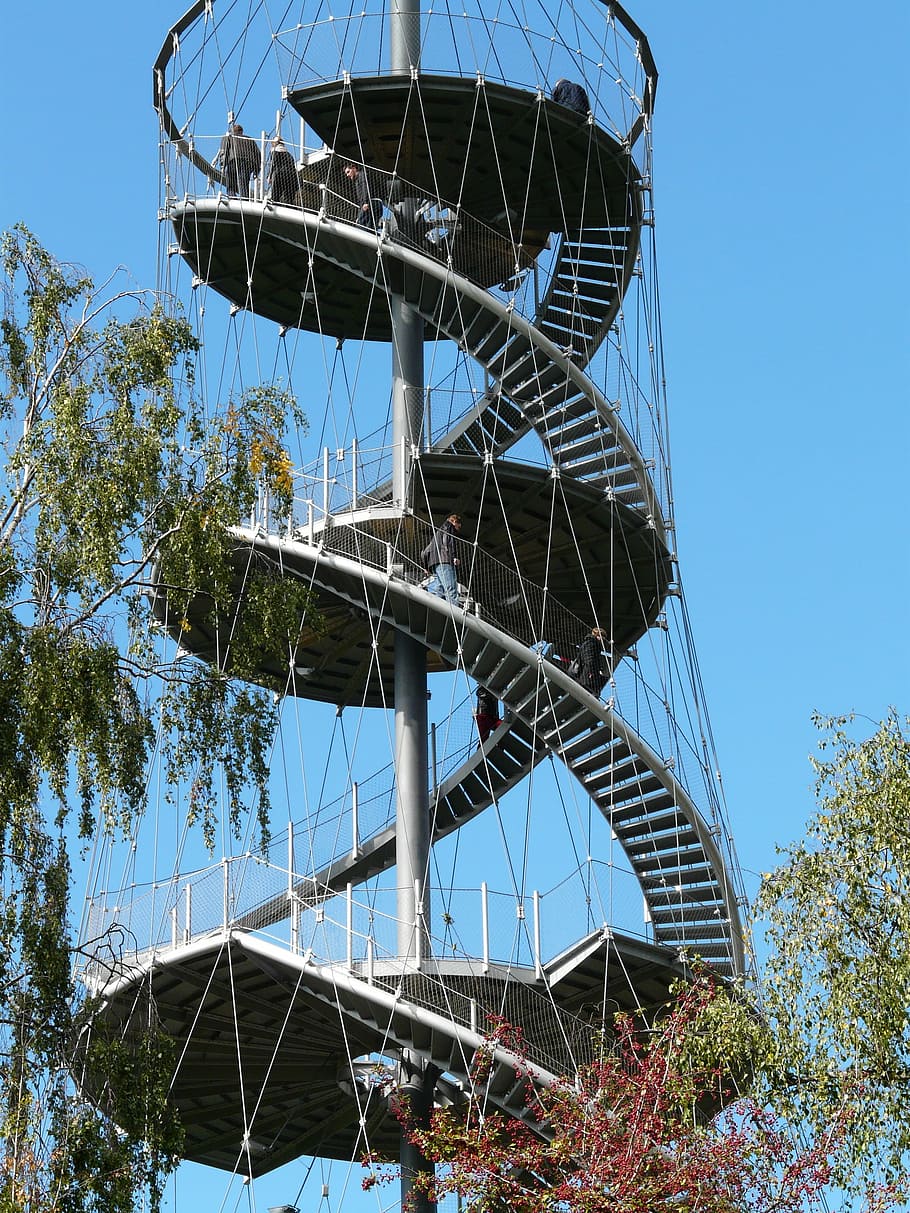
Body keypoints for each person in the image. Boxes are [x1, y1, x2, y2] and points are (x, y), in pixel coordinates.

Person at [420, 513, 463, 605]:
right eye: (458, 527)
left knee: (438, 588)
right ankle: (455, 616)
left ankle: (435, 607)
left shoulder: (438, 533)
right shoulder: (449, 527)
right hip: (445, 561)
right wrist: (453, 557)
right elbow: (448, 543)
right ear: (455, 522)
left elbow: (426, 551)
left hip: (435, 563)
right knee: (451, 590)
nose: (458, 530)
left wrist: (426, 566)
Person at [217, 123, 261, 196]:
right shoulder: (249, 139)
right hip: (248, 163)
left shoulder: (228, 137)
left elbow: (224, 152)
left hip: (234, 161)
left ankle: (232, 198)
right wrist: (256, 171)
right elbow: (258, 155)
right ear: (242, 132)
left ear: (232, 131)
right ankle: (244, 199)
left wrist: (222, 166)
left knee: (231, 183)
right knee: (243, 183)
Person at [571, 626, 609, 698]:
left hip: (588, 672)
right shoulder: (591, 643)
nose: (603, 639)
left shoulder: (591, 643)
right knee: (589, 689)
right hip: (588, 673)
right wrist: (591, 671)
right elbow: (589, 659)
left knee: (592, 689)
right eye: (601, 636)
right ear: (597, 635)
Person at [343, 162, 383, 228]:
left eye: (348, 172)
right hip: (369, 204)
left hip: (371, 203)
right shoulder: (357, 180)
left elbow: (366, 189)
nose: (347, 175)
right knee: (368, 226)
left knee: (360, 224)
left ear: (354, 168)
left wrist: (365, 203)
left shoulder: (362, 175)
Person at [269, 139, 299, 205]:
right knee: (289, 198)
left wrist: (269, 176)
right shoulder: (289, 154)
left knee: (275, 196)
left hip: (280, 174)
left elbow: (273, 164)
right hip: (292, 176)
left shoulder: (275, 152)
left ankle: (275, 206)